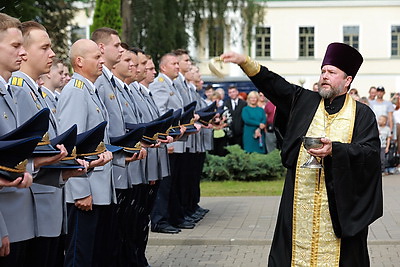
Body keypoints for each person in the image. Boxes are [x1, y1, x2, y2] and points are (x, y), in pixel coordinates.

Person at [221, 42, 382, 266]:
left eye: (332, 72)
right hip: (299, 198)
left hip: (339, 205)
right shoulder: (305, 101)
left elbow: (371, 154)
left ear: (347, 80)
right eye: (323, 71)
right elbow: (274, 85)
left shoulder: (362, 114)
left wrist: (335, 149)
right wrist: (244, 62)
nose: (324, 76)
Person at [57, 39, 115, 267]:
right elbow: (71, 146)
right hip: (85, 192)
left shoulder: (89, 90)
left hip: (97, 188)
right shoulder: (76, 92)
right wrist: (79, 191)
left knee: (93, 255)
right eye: (96, 57)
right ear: (79, 61)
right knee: (79, 257)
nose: (102, 61)